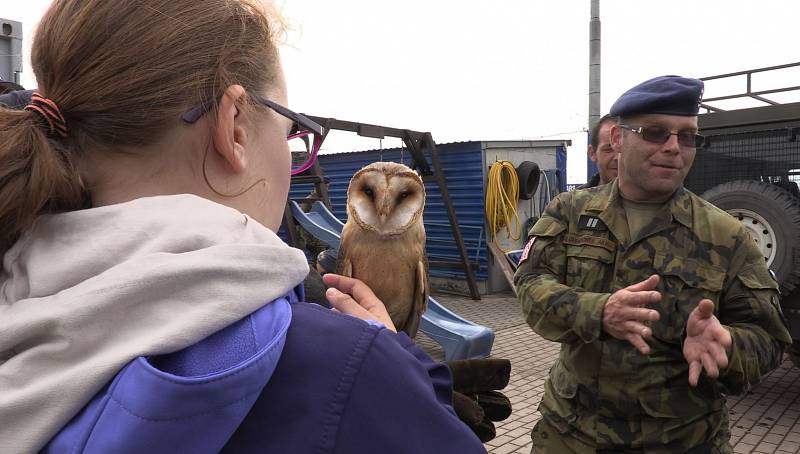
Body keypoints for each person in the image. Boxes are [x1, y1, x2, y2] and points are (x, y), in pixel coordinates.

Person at [0, 1, 486, 453]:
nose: (290, 153)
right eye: (290, 129)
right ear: (234, 126)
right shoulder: (345, 371)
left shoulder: (17, 302)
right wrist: (406, 374)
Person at [515, 75, 791, 453]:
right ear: (617, 139)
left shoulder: (727, 235)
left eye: (688, 136)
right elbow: (529, 284)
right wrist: (597, 310)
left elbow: (769, 339)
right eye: (655, 132)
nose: (674, 148)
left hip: (681, 441)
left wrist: (728, 345)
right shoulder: (570, 212)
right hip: (571, 434)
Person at [577, 113, 618, 189]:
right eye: (609, 149)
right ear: (592, 153)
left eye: (624, 149)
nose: (618, 157)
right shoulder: (573, 200)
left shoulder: (647, 197)